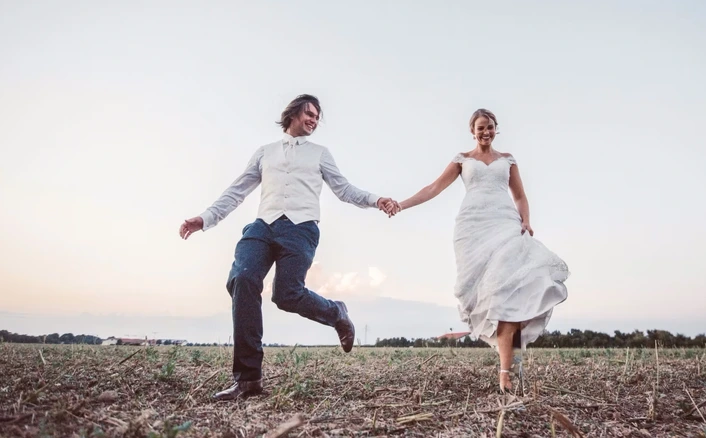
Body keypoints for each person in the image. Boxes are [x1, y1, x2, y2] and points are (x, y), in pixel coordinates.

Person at [179, 94, 397, 401]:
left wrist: (377, 200)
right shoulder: (265, 153)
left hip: (301, 229)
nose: (313, 119)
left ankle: (336, 312)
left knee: (286, 295)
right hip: (262, 226)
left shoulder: (320, 154)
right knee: (243, 279)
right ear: (293, 113)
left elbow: (344, 190)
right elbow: (237, 191)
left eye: (317, 117)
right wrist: (205, 219)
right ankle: (248, 379)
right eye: (309, 113)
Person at [392, 108, 569, 393]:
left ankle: (506, 371)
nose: (485, 132)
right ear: (472, 131)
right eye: (480, 127)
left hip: (505, 226)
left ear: (496, 129)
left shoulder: (507, 160)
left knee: (512, 291)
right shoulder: (463, 160)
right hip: (472, 230)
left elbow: (520, 196)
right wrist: (402, 204)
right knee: (492, 296)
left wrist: (526, 220)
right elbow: (434, 187)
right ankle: (510, 360)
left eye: (490, 127)